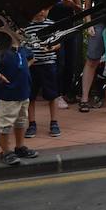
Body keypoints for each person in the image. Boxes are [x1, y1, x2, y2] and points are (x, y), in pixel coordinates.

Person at [0, 42, 38, 166]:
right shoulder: (0, 51)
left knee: (21, 120)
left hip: (23, 91)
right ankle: (5, 151)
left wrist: (23, 68)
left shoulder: (22, 49)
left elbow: (32, 57)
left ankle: (20, 147)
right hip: (7, 94)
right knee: (6, 123)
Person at [23, 7, 62, 137]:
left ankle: (54, 122)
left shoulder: (51, 24)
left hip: (48, 63)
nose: (41, 12)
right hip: (32, 65)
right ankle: (32, 123)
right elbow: (23, 44)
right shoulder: (26, 27)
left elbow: (58, 43)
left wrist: (51, 47)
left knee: (52, 94)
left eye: (45, 9)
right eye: (39, 8)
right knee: (30, 96)